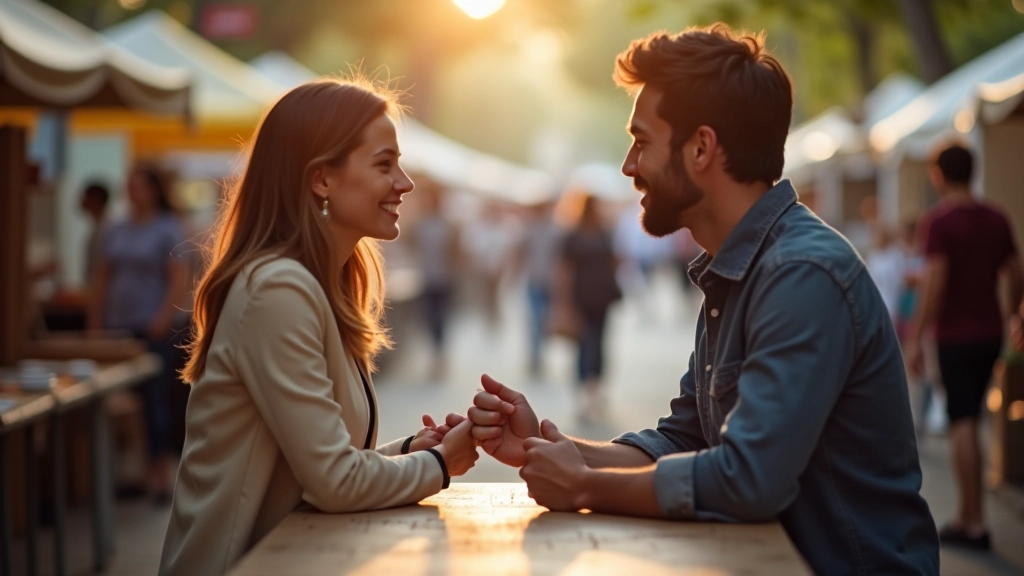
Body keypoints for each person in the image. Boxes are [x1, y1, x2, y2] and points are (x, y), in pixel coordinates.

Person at [468, 24, 939, 575]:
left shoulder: (799, 274)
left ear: (701, 148)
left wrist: (585, 485)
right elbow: (685, 438)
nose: (628, 166)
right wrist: (556, 448)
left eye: (641, 141)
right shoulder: (740, 267)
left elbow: (748, 478)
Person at [160, 79, 479, 575]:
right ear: (321, 180)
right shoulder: (278, 291)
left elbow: (319, 464)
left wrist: (413, 451)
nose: (405, 182)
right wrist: (440, 465)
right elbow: (334, 481)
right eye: (383, 163)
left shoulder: (315, 285)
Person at [907, 143, 1023, 550]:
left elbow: (936, 282)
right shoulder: (996, 217)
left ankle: (971, 520)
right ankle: (974, 516)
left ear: (939, 175)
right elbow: (1015, 269)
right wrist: (1014, 316)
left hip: (955, 335)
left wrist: (916, 336)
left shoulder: (939, 222)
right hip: (991, 332)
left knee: (963, 422)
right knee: (972, 414)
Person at [88, 165, 189, 503]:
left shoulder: (166, 229)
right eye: (129, 186)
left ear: (154, 191)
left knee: (155, 399)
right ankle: (141, 471)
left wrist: (162, 318)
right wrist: (96, 321)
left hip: (152, 325)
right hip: (119, 325)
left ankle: (160, 476)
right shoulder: (117, 230)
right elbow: (103, 277)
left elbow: (178, 277)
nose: (133, 192)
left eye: (140, 186)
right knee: (128, 402)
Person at [560, 194, 621, 417]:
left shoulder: (604, 232)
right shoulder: (574, 236)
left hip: (601, 296)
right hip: (582, 297)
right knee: (585, 343)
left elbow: (615, 260)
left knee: (599, 342)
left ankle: (594, 388)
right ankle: (586, 390)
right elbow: (565, 270)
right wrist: (564, 301)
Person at [410, 177, 459, 379]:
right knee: (428, 318)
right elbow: (409, 242)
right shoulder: (419, 224)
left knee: (441, 319)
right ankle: (435, 352)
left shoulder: (448, 225)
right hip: (425, 278)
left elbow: (456, 252)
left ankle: (438, 354)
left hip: (443, 279)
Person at [79, 181, 110, 288]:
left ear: (95, 200)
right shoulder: (97, 228)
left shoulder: (106, 230)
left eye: (85, 197)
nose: (81, 201)